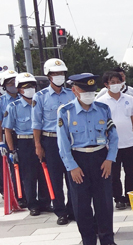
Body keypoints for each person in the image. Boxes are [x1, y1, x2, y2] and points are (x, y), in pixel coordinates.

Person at [57, 73, 120, 245]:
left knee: (105, 202)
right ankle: (89, 242)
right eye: (85, 91)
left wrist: (110, 159)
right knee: (81, 204)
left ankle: (107, 239)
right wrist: (72, 167)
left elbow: (113, 136)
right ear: (75, 90)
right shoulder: (65, 112)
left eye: (92, 91)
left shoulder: (102, 109)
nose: (89, 95)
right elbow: (62, 143)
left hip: (101, 158)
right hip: (78, 159)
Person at [31, 59, 76, 224]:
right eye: (55, 74)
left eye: (61, 73)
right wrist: (38, 144)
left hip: (70, 140)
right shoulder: (40, 96)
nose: (59, 76)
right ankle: (60, 211)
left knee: (72, 175)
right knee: (55, 177)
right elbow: (36, 123)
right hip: (50, 141)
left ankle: (73, 209)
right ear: (48, 76)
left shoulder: (72, 93)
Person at [3, 73, 51, 216]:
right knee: (29, 175)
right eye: (26, 87)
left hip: (41, 140)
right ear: (19, 89)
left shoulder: (41, 103)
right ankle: (32, 204)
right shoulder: (13, 106)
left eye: (32, 86)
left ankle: (45, 202)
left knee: (44, 172)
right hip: (24, 143)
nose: (30, 89)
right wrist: (12, 151)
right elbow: (7, 130)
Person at [99, 70, 133, 210]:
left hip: (129, 142)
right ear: (106, 85)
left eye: (118, 82)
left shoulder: (129, 99)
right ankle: (118, 197)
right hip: (111, 145)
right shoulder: (101, 102)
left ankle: (130, 196)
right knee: (114, 174)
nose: (116, 85)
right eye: (113, 83)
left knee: (130, 172)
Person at [0, 70, 21, 202]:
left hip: (24, 135)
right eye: (9, 82)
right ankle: (18, 195)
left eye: (15, 81)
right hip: (9, 136)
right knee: (14, 166)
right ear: (4, 85)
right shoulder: (2, 101)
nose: (13, 84)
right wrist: (1, 142)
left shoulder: (24, 97)